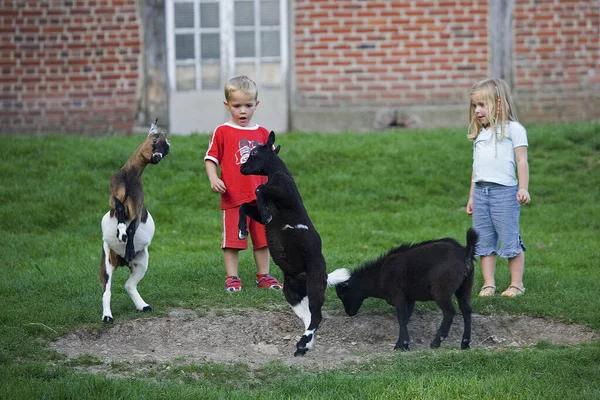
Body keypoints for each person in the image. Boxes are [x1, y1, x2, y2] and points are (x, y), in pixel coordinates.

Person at [204, 75, 283, 293]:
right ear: (227, 105)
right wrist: (213, 178)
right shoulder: (222, 132)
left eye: (248, 106)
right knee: (233, 241)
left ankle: (264, 276)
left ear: (256, 105)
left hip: (261, 200)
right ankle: (232, 278)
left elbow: (273, 164)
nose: (242, 111)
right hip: (234, 198)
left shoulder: (263, 133)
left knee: (263, 239)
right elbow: (211, 159)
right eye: (237, 106)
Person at [465, 78, 531, 297]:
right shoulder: (480, 135)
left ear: (499, 103)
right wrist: (472, 196)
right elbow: (476, 169)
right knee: (483, 240)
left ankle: (516, 284)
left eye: (482, 105)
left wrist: (523, 188)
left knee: (509, 237)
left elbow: (522, 161)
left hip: (505, 193)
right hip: (482, 193)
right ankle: (488, 284)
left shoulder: (514, 130)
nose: (477, 110)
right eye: (475, 106)